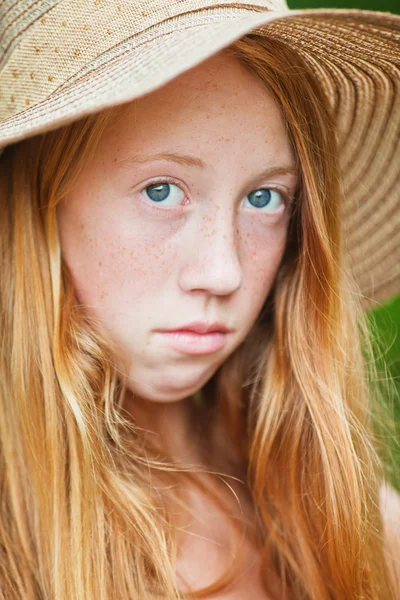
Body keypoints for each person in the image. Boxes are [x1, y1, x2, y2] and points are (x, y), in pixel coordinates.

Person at [0, 1, 399, 599]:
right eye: (162, 190)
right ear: (33, 204)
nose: (224, 271)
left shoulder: (352, 524)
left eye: (264, 199)